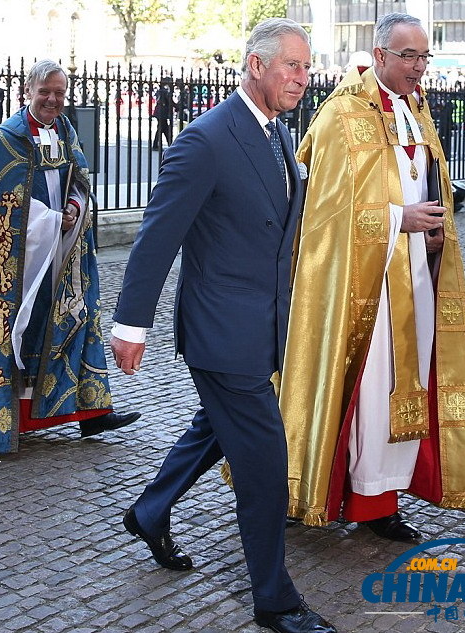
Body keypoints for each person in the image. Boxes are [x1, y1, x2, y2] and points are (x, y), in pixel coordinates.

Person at [111, 20, 336, 633]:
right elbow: (158, 235)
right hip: (221, 331)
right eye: (292, 65)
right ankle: (275, 601)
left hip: (262, 324)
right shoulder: (205, 139)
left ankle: (152, 511)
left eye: (307, 68)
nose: (302, 78)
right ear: (255, 65)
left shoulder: (279, 134)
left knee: (214, 427)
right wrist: (132, 322)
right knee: (265, 466)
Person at [281, 13, 465, 542]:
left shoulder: (418, 110)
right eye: (408, 56)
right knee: (366, 389)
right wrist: (399, 220)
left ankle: (381, 500)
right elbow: (322, 214)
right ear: (378, 56)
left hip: (414, 277)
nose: (419, 67)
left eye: (424, 56)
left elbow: (426, 184)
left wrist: (430, 231)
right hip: (362, 284)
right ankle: (336, 491)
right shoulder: (340, 115)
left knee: (406, 388)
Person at [0, 59, 140, 454]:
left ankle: (90, 412)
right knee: (6, 332)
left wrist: (73, 208)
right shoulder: (5, 139)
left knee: (75, 320)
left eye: (59, 93)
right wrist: (49, 220)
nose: (52, 99)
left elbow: (79, 181)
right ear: (26, 92)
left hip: (62, 256)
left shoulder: (65, 131)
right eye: (44, 91)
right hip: (16, 262)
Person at [151, 77, 173, 150]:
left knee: (162, 129)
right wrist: (178, 106)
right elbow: (169, 101)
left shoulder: (160, 90)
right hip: (162, 113)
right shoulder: (165, 91)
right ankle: (170, 145)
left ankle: (169, 144)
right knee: (162, 129)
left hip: (159, 112)